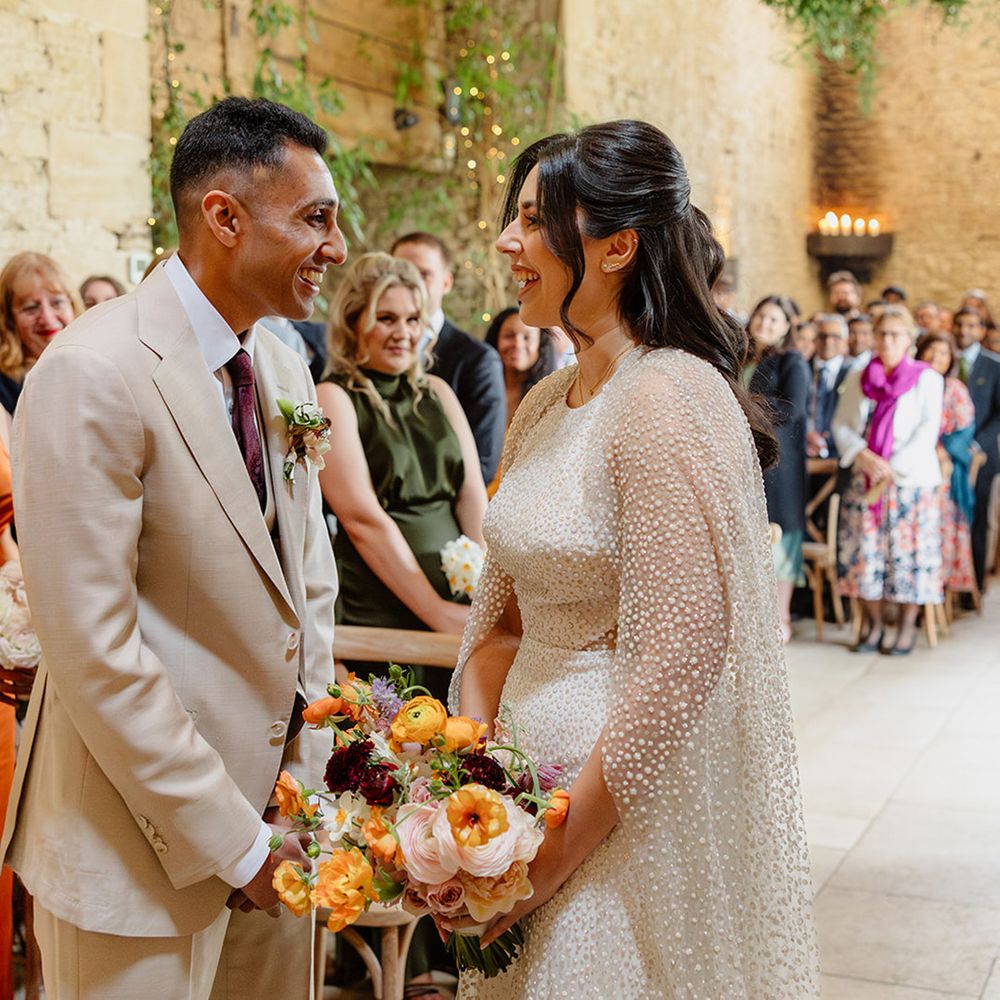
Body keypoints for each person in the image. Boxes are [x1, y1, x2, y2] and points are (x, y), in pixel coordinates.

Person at [450, 120, 818, 999]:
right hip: (517, 795)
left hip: (617, 821)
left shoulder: (666, 396)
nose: (510, 242)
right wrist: (462, 778)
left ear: (616, 245)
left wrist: (549, 858)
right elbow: (498, 620)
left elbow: (684, 657)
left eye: (536, 221)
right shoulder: (545, 403)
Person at [2, 96, 345, 1000]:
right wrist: (233, 840)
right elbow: (94, 651)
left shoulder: (280, 362)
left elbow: (307, 584)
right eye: (317, 217)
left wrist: (299, 792)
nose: (337, 248)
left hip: (280, 831)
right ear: (224, 217)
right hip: (131, 852)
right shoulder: (91, 371)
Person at [316, 251, 485, 651]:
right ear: (354, 322)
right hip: (381, 603)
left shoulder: (438, 393)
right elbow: (361, 518)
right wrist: (439, 613)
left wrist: (485, 589)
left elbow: (472, 494)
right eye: (387, 319)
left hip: (459, 600)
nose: (404, 333)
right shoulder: (333, 397)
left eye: (412, 319)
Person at [834, 306, 944, 655]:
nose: (887, 340)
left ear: (910, 340)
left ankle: (906, 629)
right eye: (881, 333)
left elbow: (928, 430)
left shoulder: (928, 378)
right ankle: (876, 625)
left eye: (896, 334)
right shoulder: (859, 376)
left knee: (909, 557)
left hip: (909, 482)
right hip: (867, 481)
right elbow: (841, 425)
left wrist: (889, 466)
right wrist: (864, 455)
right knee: (868, 555)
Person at [392, 233, 505, 484]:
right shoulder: (363, 349)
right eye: (402, 272)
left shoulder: (478, 361)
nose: (411, 283)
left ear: (446, 282)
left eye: (424, 274)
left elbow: (482, 464)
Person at [744, 296, 810, 643]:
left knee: (781, 535)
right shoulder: (736, 355)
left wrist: (743, 403)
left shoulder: (792, 361)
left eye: (774, 319)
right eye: (762, 316)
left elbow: (792, 408)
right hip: (742, 457)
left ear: (786, 327)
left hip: (778, 460)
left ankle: (781, 616)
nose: (766, 323)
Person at [915, 333, 978, 597]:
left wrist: (938, 448)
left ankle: (939, 585)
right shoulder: (911, 383)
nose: (935, 358)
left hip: (945, 469)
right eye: (931, 351)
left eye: (943, 353)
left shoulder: (954, 388)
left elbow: (964, 430)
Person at [953, 307, 1000, 589]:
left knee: (977, 518)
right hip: (949, 456)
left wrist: (976, 444)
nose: (964, 331)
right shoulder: (943, 359)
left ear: (981, 331)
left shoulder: (994, 365)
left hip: (981, 456)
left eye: (971, 326)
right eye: (960, 325)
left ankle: (975, 585)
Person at [0, 253, 78, 415]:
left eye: (57, 303)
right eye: (31, 308)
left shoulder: (95, 369)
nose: (47, 319)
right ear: (8, 319)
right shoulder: (4, 389)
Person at [485, 307, 558, 430]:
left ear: (540, 344)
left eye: (527, 337)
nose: (518, 344)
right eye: (509, 336)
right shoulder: (480, 391)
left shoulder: (551, 399)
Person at [807, 314, 851, 458]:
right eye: (823, 336)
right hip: (804, 450)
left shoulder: (853, 373)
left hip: (839, 452)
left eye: (835, 336)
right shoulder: (802, 368)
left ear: (845, 342)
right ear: (815, 340)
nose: (828, 341)